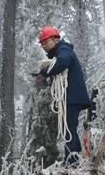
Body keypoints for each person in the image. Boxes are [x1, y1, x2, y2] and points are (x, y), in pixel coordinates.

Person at [36, 25, 92, 165]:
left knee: (69, 128)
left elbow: (62, 63)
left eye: (46, 41)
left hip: (72, 97)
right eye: (42, 43)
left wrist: (45, 72)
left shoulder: (63, 50)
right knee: (70, 127)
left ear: (56, 39)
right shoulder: (59, 52)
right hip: (71, 97)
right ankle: (75, 158)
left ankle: (71, 161)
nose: (44, 45)